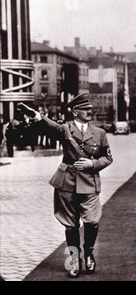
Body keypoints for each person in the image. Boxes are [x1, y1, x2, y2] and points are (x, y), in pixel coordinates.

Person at [17, 94, 113, 278]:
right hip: (67, 182)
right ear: (75, 111)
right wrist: (36, 115)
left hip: (89, 182)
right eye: (85, 109)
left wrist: (92, 164)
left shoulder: (99, 133)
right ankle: (75, 259)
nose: (89, 111)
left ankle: (89, 252)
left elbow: (107, 157)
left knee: (92, 221)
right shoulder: (65, 129)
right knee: (70, 225)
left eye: (90, 108)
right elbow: (49, 125)